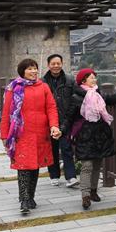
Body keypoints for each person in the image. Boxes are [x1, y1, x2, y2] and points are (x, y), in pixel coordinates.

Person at [62, 68, 116, 209]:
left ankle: (94, 191)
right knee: (87, 165)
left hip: (100, 135)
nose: (94, 80)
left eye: (95, 77)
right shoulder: (76, 98)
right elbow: (69, 118)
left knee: (96, 165)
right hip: (84, 135)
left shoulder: (98, 94)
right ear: (83, 81)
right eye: (91, 77)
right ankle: (85, 196)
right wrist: (61, 130)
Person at [0, 58, 60, 215]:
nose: (33, 71)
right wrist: (4, 135)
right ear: (22, 71)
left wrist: (54, 125)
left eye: (35, 68)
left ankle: (31, 196)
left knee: (35, 165)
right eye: (29, 69)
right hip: (21, 133)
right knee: (23, 165)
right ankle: (24, 198)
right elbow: (7, 113)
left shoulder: (44, 87)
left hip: (41, 132)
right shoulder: (13, 88)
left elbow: (51, 107)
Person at [42, 54, 78, 188]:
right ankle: (54, 175)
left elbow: (74, 100)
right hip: (48, 122)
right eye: (53, 64)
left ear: (62, 64)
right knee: (51, 149)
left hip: (66, 119)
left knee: (67, 148)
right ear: (48, 65)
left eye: (58, 63)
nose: (56, 66)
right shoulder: (42, 82)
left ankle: (71, 177)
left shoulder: (69, 80)